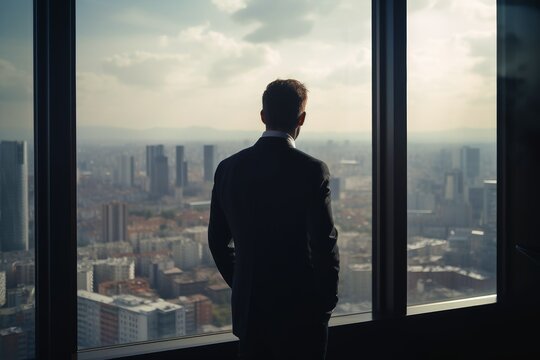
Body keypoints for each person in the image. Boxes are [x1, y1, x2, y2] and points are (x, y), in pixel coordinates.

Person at [208, 79, 340, 360]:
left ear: (263, 116)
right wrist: (323, 306)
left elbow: (217, 243)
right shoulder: (312, 171)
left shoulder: (228, 168)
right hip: (301, 315)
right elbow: (324, 245)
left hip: (251, 313)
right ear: (301, 118)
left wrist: (247, 284)